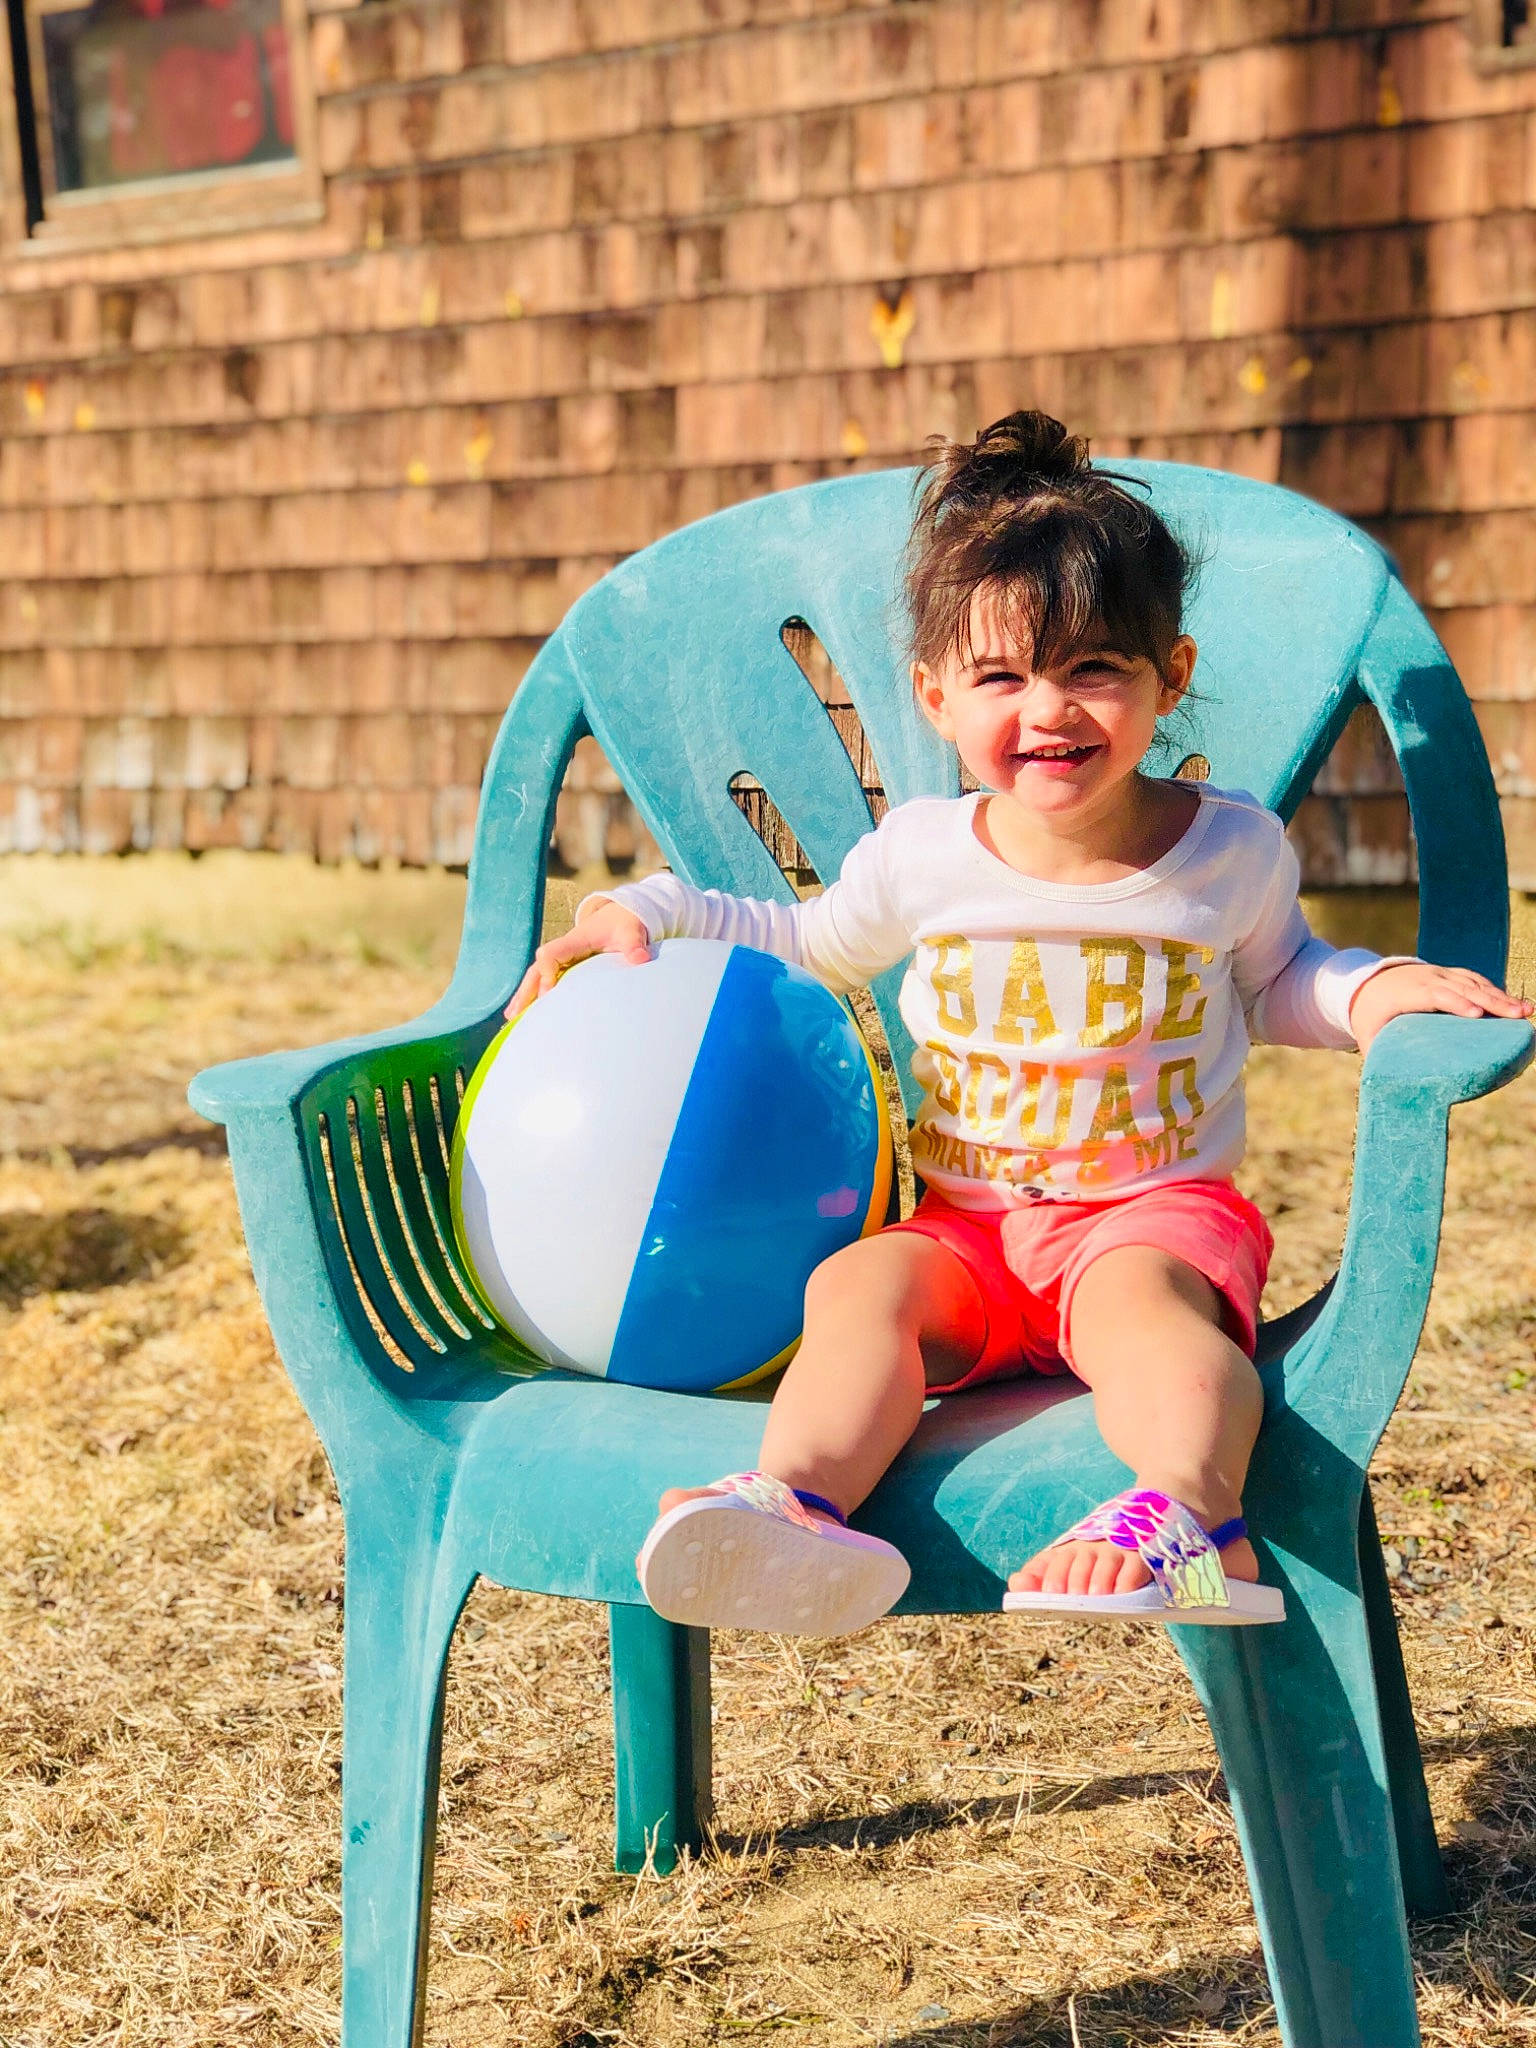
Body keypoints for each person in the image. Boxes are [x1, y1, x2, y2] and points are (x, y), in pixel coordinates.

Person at [508, 411, 1531, 1638]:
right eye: (1002, 677)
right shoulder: (924, 857)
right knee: (858, 1288)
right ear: (936, 697)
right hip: (969, 1232)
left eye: (1094, 667)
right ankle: (797, 1502)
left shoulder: (1227, 850)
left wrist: (1370, 992)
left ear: (1171, 676)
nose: (1049, 709)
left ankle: (1196, 1523)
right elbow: (804, 936)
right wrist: (652, 907)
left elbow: (1280, 980)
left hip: (1147, 1218)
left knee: (1152, 1328)